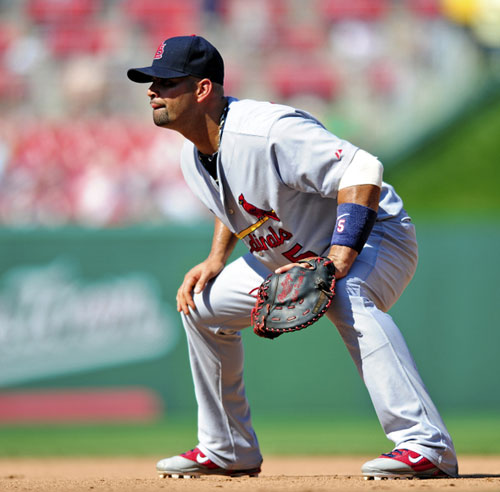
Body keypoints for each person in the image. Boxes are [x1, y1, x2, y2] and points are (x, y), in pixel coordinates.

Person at [127, 35, 458, 480]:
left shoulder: (267, 130)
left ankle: (426, 444)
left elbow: (364, 169)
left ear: (202, 89)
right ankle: (227, 449)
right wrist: (215, 258)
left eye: (165, 83)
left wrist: (340, 257)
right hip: (289, 253)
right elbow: (238, 200)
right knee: (201, 307)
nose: (152, 90)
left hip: (376, 234)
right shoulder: (194, 154)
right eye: (152, 82)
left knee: (347, 292)